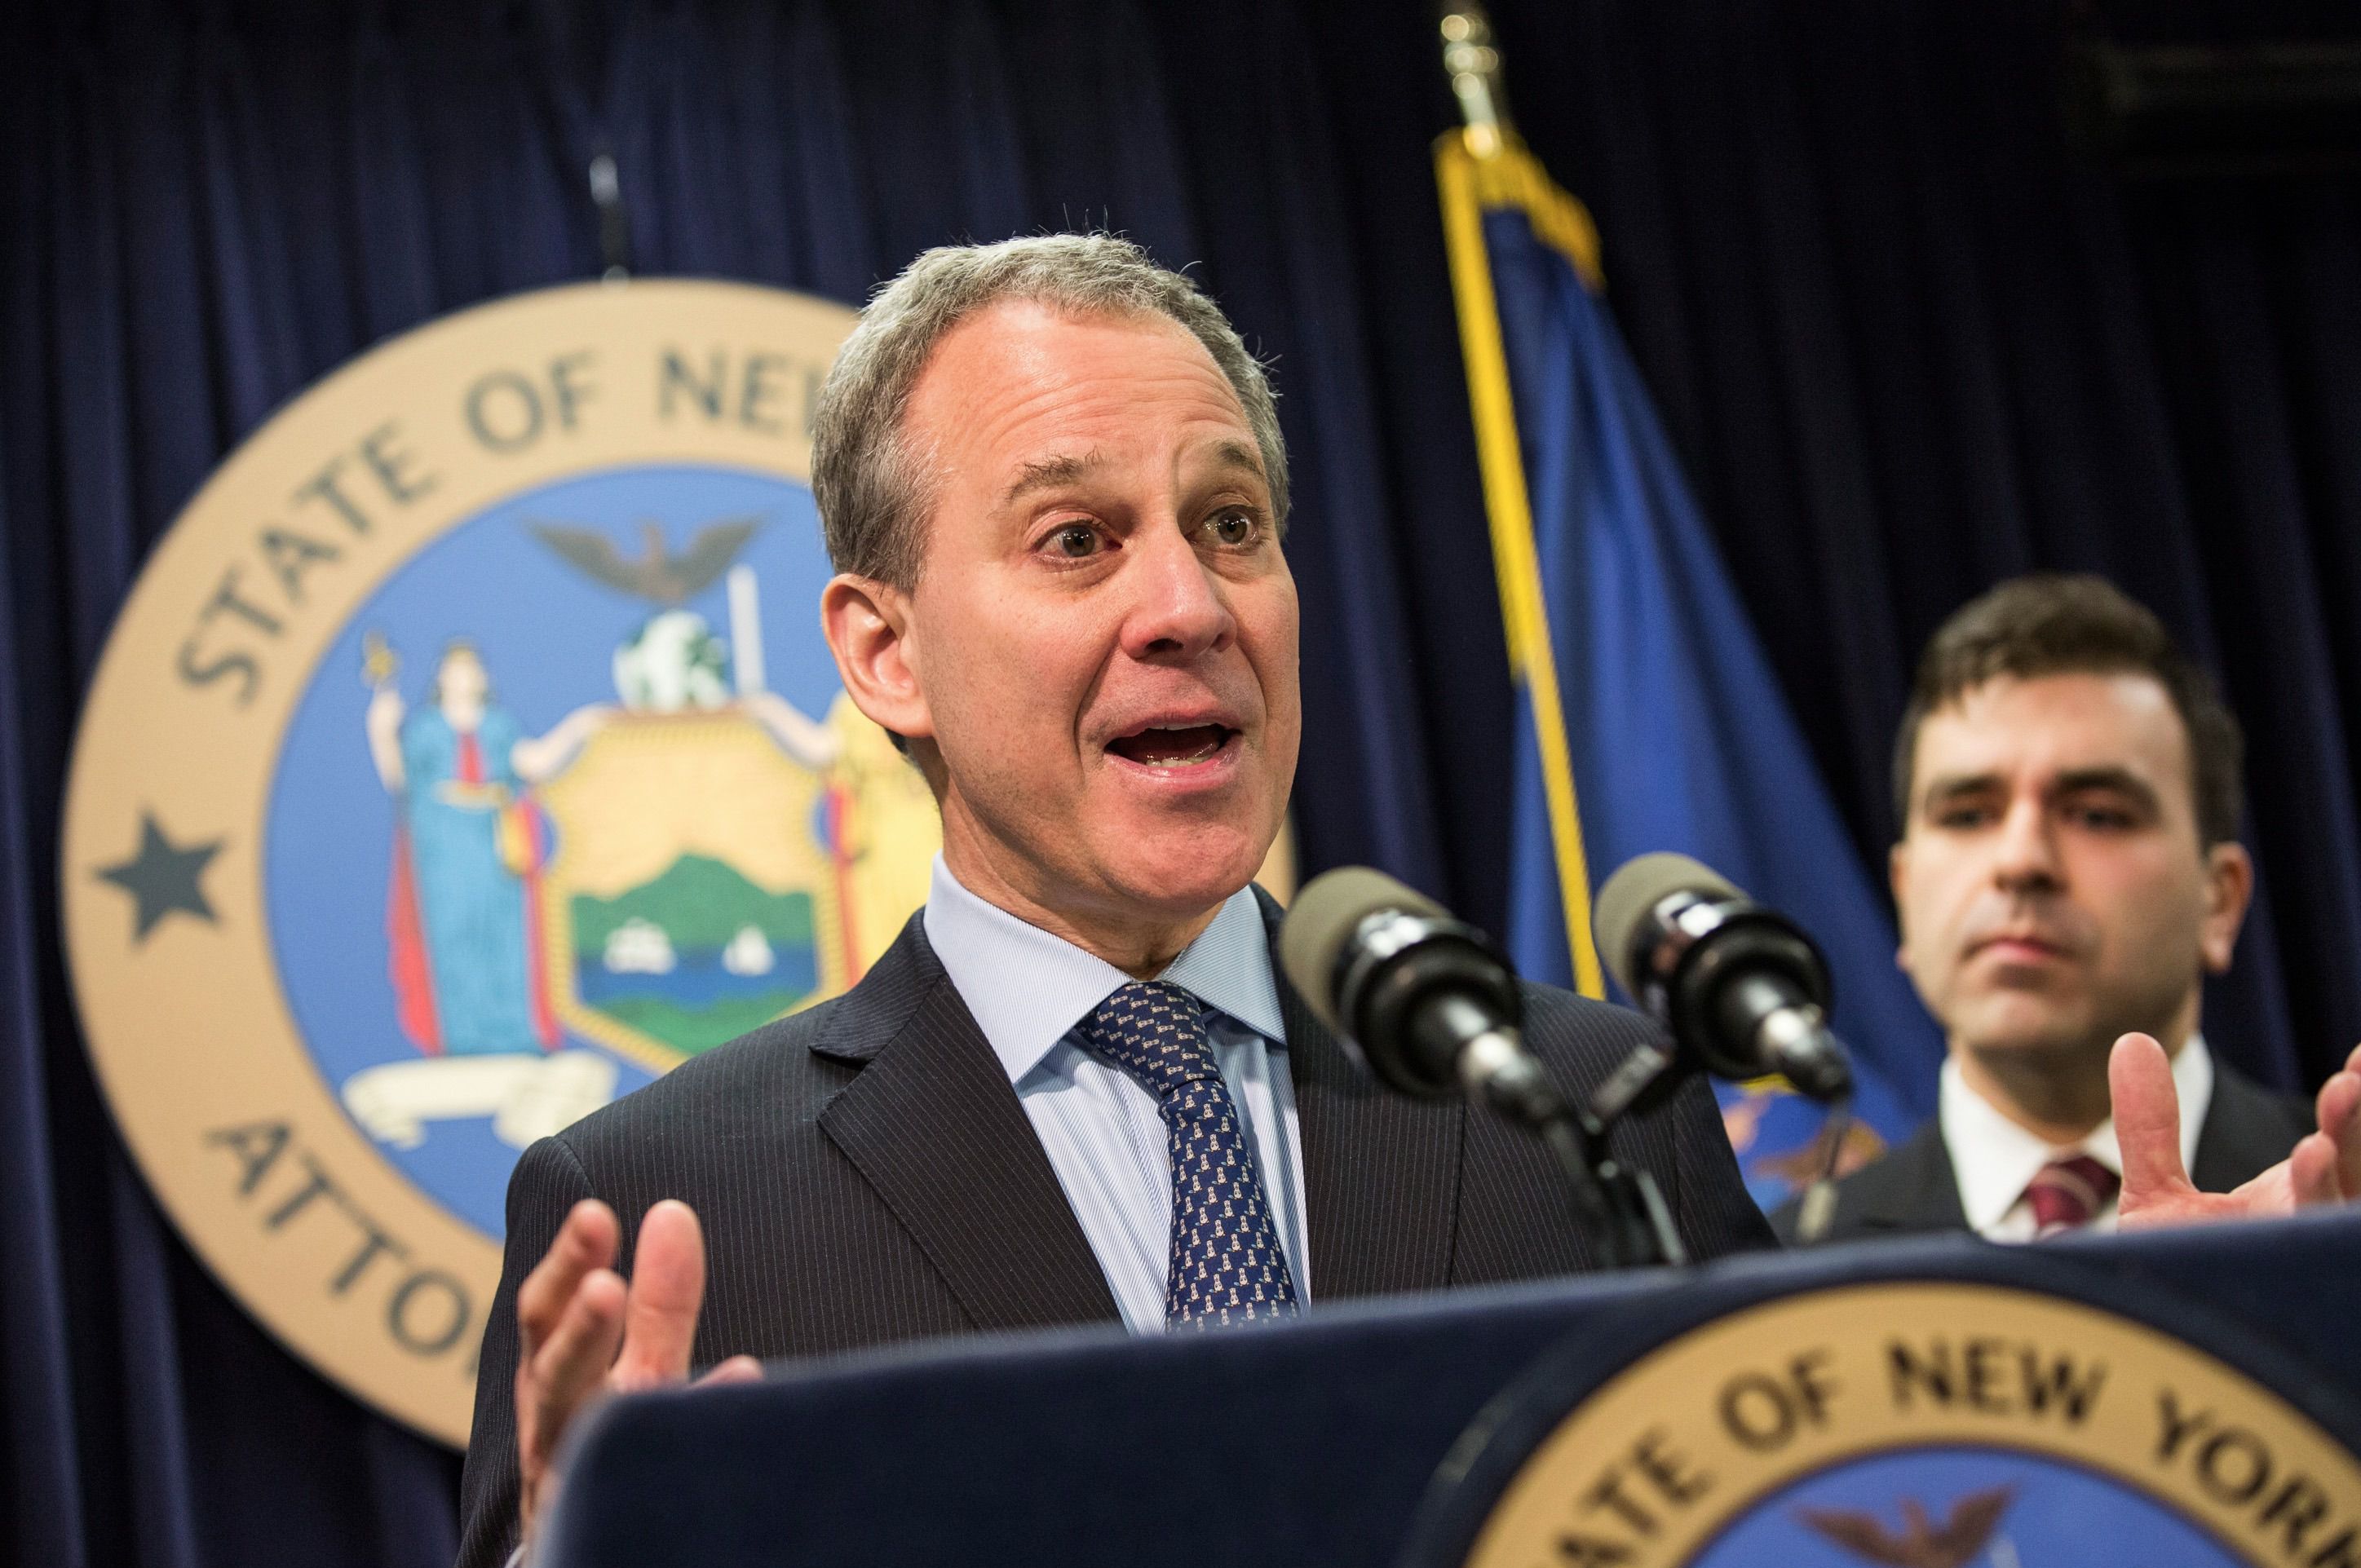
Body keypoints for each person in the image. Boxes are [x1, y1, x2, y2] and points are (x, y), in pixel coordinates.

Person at [457, 243, 2355, 1568]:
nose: (1187, 602)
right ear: (883, 652)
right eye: (1076, 540)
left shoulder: (1584, 1106)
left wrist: (2140, 1410)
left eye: (1230, 523)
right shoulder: (672, 1206)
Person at [1775, 575, 2357, 1243]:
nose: (2020, 861)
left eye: (2096, 814)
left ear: (2218, 901)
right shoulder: (1792, 1271)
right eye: (1967, 815)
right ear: (1905, 893)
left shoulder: (2343, 1207)